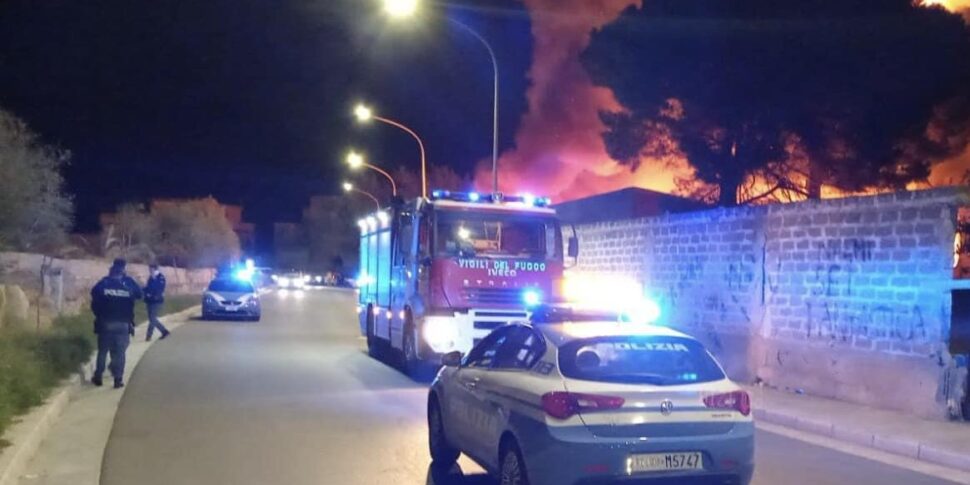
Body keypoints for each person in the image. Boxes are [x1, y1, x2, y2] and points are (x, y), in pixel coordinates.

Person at [90, 258, 142, 388]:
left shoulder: (104, 283)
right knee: (120, 353)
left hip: (105, 323)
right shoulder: (128, 284)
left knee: (102, 351)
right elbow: (140, 295)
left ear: (111, 270)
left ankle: (98, 377)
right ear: (123, 271)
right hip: (124, 324)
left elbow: (94, 295)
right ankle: (118, 379)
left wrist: (99, 314)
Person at [144, 263, 170, 341]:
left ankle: (153, 334)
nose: (149, 271)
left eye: (151, 269)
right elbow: (148, 287)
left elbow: (159, 289)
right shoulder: (151, 278)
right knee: (152, 319)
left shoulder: (160, 278)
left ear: (155, 269)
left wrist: (151, 294)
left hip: (156, 300)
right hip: (150, 300)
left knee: (152, 319)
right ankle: (162, 332)